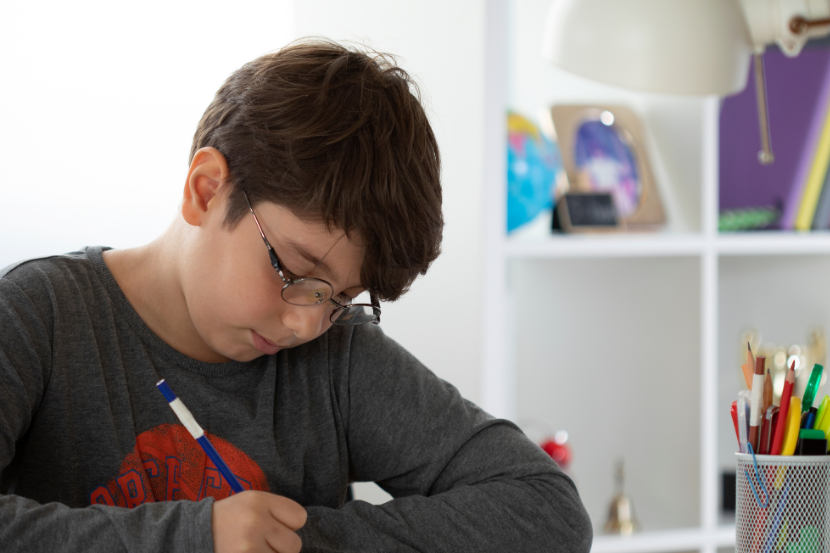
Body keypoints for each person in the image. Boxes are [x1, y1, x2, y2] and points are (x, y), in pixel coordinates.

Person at [0, 39, 592, 553]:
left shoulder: (337, 354)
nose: (307, 325)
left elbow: (546, 510)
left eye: (340, 297)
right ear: (206, 191)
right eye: (296, 272)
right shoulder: (39, 317)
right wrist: (191, 539)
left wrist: (295, 541)